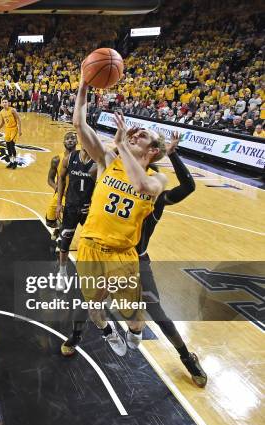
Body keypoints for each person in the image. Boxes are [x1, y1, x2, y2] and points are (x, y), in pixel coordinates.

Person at [66, 77, 167, 357]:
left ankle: (134, 333)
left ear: (153, 151)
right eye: (133, 133)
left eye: (141, 136)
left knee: (133, 313)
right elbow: (79, 125)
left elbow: (142, 188)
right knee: (93, 305)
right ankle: (108, 332)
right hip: (89, 246)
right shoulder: (108, 160)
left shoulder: (157, 177)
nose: (134, 135)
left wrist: (122, 145)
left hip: (121, 253)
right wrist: (84, 86)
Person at [130, 132, 207, 387]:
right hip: (107, 255)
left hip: (137, 259)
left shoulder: (157, 194)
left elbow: (189, 187)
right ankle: (76, 336)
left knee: (157, 312)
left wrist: (173, 154)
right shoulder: (115, 178)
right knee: (87, 300)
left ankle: (187, 357)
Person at [54, 143, 96, 290]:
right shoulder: (70, 158)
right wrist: (59, 203)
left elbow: (103, 186)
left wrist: (94, 206)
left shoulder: (98, 161)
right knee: (65, 243)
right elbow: (61, 178)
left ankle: (93, 275)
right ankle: (62, 273)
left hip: (88, 210)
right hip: (71, 207)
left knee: (95, 244)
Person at [45, 132, 78, 237]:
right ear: (63, 141)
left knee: (68, 222)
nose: (70, 140)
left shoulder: (81, 158)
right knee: (49, 221)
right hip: (59, 195)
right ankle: (60, 228)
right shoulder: (56, 159)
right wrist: (57, 188)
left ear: (77, 142)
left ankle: (64, 236)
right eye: (67, 138)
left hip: (73, 197)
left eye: (73, 138)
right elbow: (50, 179)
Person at [0, 97, 22, 169]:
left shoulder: (12, 110)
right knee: (8, 146)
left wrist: (20, 130)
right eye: (3, 102)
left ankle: (15, 162)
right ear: (1, 103)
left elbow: (19, 120)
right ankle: (11, 162)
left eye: (6, 102)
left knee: (12, 145)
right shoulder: (1, 112)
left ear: (8, 103)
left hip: (14, 129)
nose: (4, 103)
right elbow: (3, 122)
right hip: (7, 130)